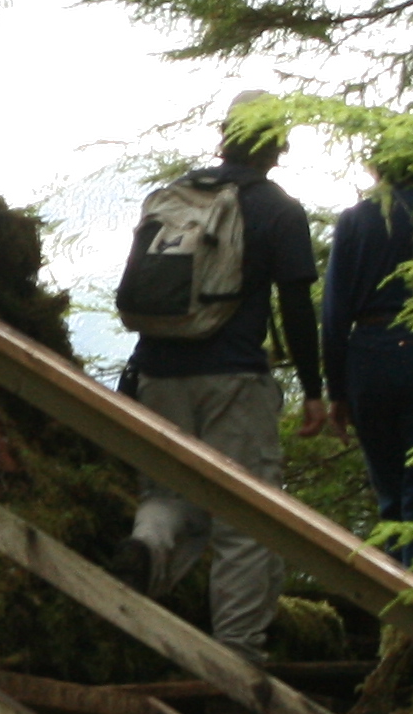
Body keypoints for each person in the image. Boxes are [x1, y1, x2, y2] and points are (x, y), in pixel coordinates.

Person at [118, 113, 325, 663]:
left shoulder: (179, 197)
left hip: (155, 374)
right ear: (276, 147)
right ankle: (235, 660)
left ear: (227, 139)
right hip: (233, 378)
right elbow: (298, 309)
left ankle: (145, 549)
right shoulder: (277, 209)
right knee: (245, 516)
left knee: (166, 497)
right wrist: (314, 389)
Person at [310, 161, 413, 537]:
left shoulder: (354, 220)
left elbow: (334, 314)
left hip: (368, 357)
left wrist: (337, 392)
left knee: (390, 496)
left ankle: (392, 586)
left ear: (376, 169)